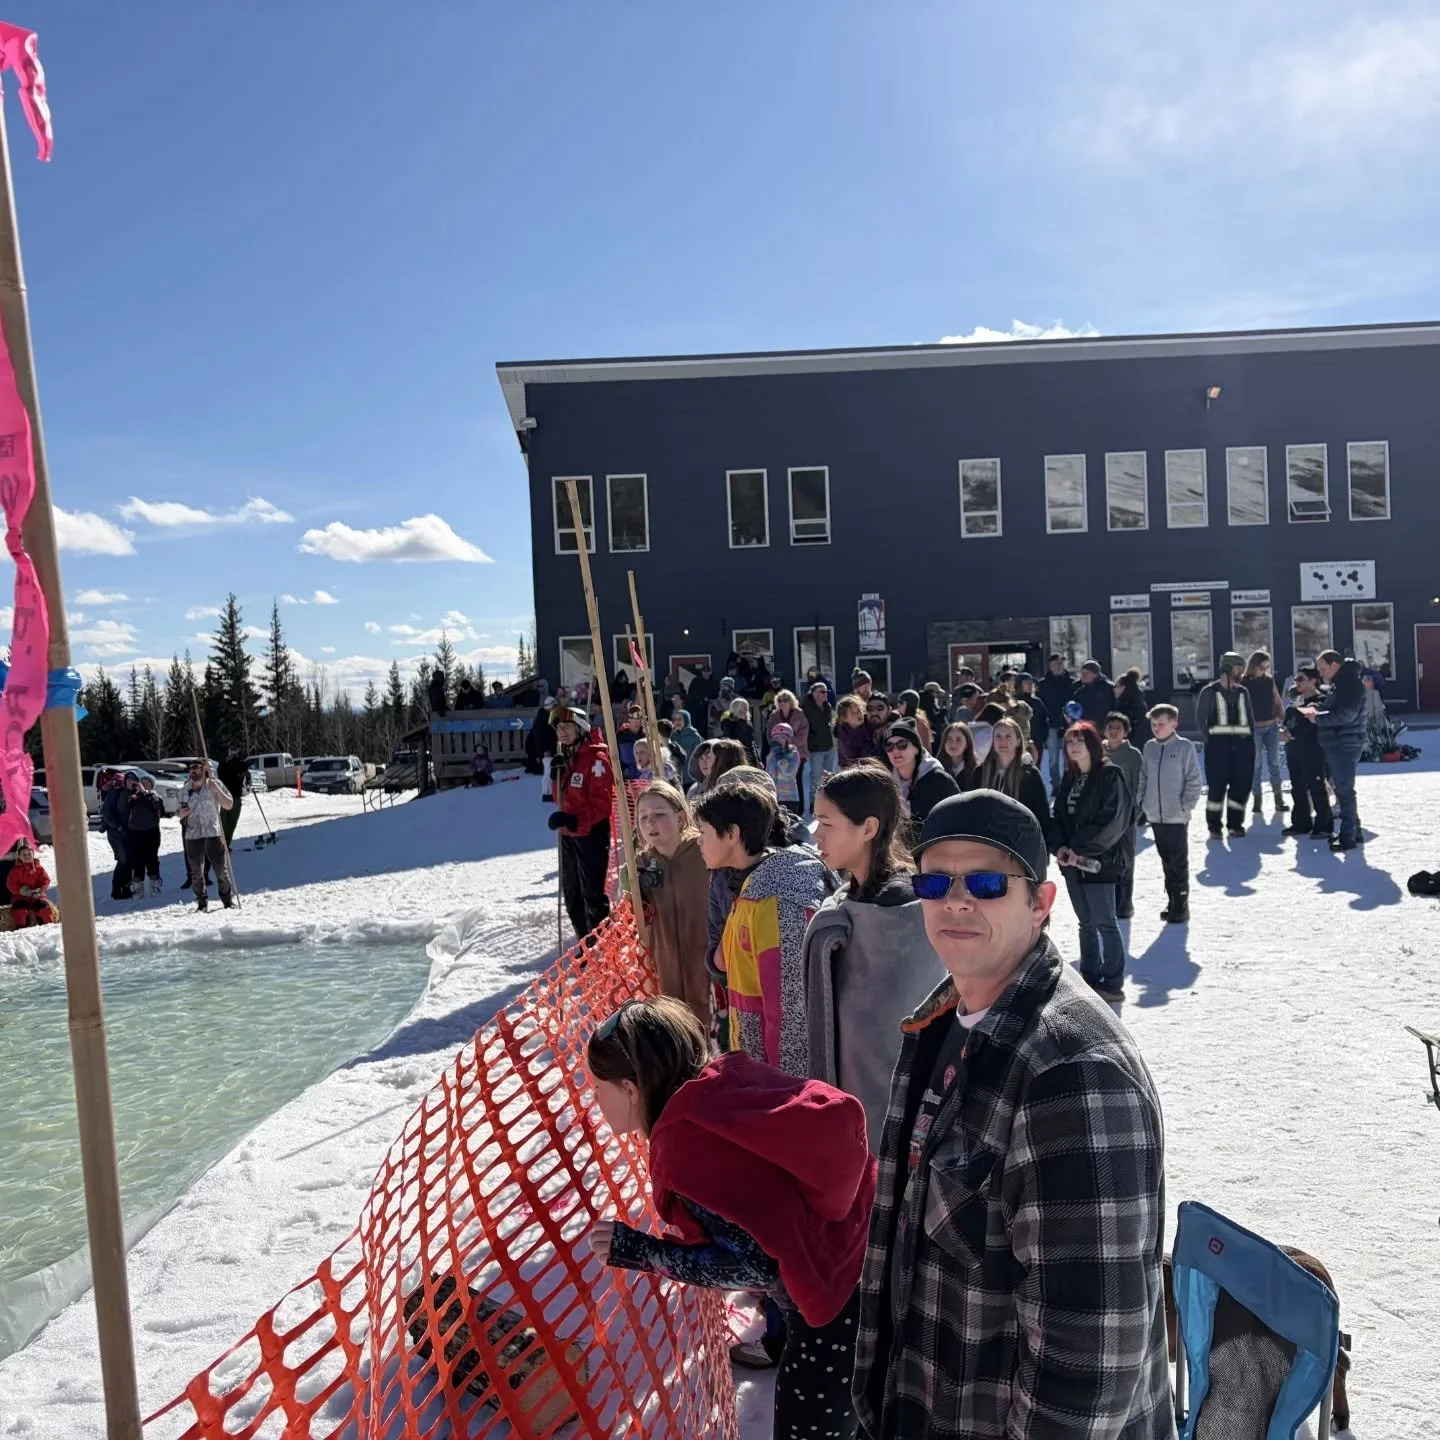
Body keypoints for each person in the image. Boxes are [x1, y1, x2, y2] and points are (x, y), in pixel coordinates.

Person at [851, 790, 1170, 1439]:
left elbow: (1088, 1372)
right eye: (937, 879)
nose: (957, 901)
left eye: (989, 882)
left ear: (1042, 904)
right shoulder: (944, 1019)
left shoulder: (1073, 1073)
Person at [586, 997, 875, 1440]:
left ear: (631, 1089)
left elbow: (753, 1264)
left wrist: (640, 1251)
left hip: (832, 1314)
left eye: (597, 1088)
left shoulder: (686, 1150)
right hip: (871, 1267)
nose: (594, 1103)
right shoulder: (722, 1087)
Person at [804, 764, 944, 1152]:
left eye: (827, 823)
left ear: (868, 828)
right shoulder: (853, 895)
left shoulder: (902, 909)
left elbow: (892, 1031)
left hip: (888, 1113)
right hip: (857, 1099)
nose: (816, 834)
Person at [694, 777, 832, 1074]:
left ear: (731, 834)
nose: (698, 841)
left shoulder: (776, 902)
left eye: (703, 832)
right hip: (754, 1064)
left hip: (775, 1081)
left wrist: (780, 1090)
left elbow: (789, 1019)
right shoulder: (746, 885)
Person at [1049, 723, 1133, 1001]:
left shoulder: (1110, 775)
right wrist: (1060, 846)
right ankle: (1090, 976)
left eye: (1079, 741)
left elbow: (1113, 821)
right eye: (1069, 742)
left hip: (1100, 861)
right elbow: (1058, 816)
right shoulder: (1070, 779)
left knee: (1105, 922)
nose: (1073, 747)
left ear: (1092, 744)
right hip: (1072, 863)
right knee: (1085, 922)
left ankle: (1112, 982)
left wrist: (1079, 848)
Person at [634, 784, 713, 1029]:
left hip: (706, 950)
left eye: (659, 815)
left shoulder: (703, 852)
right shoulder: (642, 864)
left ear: (679, 817)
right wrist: (630, 891)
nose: (650, 823)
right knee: (673, 1017)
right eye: (643, 817)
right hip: (664, 955)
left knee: (706, 1014)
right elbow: (635, 914)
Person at [547, 709, 615, 940]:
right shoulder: (568, 757)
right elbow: (562, 798)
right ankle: (585, 946)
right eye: (558, 728)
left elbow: (601, 804)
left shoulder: (596, 759)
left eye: (566, 727)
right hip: (569, 834)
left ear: (580, 728)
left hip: (591, 834)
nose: (561, 732)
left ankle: (602, 950)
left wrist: (574, 819)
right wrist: (557, 774)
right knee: (572, 895)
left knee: (592, 896)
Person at [1135, 703, 1203, 923]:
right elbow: (1143, 777)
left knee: (1178, 861)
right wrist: (1143, 802)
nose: (1157, 728)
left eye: (1161, 724)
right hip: (1155, 814)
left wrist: (1185, 807)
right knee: (1166, 861)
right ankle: (1172, 900)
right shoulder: (1150, 747)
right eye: (1154, 724)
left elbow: (1194, 780)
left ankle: (1181, 905)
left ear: (1174, 724)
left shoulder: (1184, 748)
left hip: (1176, 816)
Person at [1300, 650, 1367, 850]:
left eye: (1322, 669)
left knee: (1344, 790)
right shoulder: (1342, 684)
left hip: (1345, 743)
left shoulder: (1350, 684)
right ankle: (1354, 832)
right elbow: (1337, 709)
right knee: (1342, 789)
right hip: (1340, 742)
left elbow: (1346, 715)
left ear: (1334, 665)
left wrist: (1318, 718)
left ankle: (1348, 837)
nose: (1320, 673)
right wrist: (1318, 707)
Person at [1196, 651, 1256, 837]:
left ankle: (1235, 824)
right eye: (1239, 668)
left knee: (1241, 786)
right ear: (1228, 668)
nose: (1242, 672)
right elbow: (1200, 720)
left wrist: (1250, 742)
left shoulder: (1243, 692)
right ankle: (1214, 826)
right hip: (1218, 748)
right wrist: (1210, 741)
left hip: (1243, 748)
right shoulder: (1209, 692)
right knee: (1217, 787)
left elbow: (1251, 720)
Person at [882, 717, 959, 845]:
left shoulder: (938, 779)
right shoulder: (889, 783)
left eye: (902, 744)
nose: (895, 751)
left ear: (916, 748)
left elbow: (959, 816)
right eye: (889, 746)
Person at [1281, 667, 1335, 839]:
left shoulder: (1322, 701)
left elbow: (1327, 723)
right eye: (1296, 679)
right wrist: (1283, 733)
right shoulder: (1294, 704)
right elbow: (1286, 724)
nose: (1297, 682)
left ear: (1313, 680)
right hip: (1294, 750)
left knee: (1317, 787)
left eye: (1301, 679)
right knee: (1297, 788)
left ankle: (1324, 825)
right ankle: (1301, 823)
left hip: (1314, 750)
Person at [179, 760, 236, 912]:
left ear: (203, 769)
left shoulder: (214, 784)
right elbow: (179, 812)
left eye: (195, 767)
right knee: (196, 873)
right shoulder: (184, 791)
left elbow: (229, 805)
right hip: (192, 835)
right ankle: (201, 902)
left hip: (213, 833)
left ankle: (227, 900)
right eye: (190, 768)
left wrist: (217, 790)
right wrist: (181, 814)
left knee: (221, 871)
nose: (192, 771)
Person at [1103, 712, 1144, 921]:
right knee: (1106, 861)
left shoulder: (1133, 755)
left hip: (1126, 816)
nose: (1113, 731)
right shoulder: (1098, 752)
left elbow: (1140, 785)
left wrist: (1136, 811)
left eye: (1118, 728)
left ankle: (1125, 903)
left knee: (1126, 860)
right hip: (1103, 817)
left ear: (1126, 732)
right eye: (1110, 727)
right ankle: (1108, 903)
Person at [975, 716, 1048, 830]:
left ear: (1018, 741)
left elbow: (1042, 815)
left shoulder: (1029, 775)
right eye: (998, 736)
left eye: (1008, 736)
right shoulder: (980, 773)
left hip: (1019, 840)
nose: (1002, 741)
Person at [1243, 651, 1287, 817]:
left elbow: (1276, 700)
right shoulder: (1244, 683)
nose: (1266, 670)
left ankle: (1278, 799)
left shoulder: (1269, 681)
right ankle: (1257, 799)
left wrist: (1283, 718)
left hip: (1271, 726)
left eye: (1268, 667)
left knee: (1274, 763)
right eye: (1263, 666)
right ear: (1254, 665)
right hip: (1254, 728)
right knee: (1256, 765)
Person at [1036, 654, 1074, 788]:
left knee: (1069, 756)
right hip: (1051, 724)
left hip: (1069, 725)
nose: (1057, 667)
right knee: (1053, 759)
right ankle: (1056, 784)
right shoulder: (1043, 685)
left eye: (1059, 664)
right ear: (1050, 666)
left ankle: (1068, 784)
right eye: (1054, 665)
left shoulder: (1072, 683)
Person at [800, 681, 837, 813]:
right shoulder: (806, 708)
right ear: (814, 693)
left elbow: (833, 723)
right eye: (822, 691)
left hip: (829, 746)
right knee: (816, 776)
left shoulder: (828, 706)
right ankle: (813, 803)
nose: (825, 694)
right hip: (815, 747)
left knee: (830, 776)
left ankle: (828, 802)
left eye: (826, 691)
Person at [126, 774, 166, 896]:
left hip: (151, 831)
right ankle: (138, 885)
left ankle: (154, 883)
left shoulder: (154, 795)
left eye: (146, 782)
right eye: (141, 782)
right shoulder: (133, 796)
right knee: (137, 859)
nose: (143, 784)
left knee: (152, 858)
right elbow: (126, 807)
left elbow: (158, 805)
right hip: (135, 832)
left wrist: (146, 793)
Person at [7, 839, 57, 927]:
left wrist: (41, 890)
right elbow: (10, 884)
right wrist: (20, 890)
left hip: (37, 896)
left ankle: (48, 926)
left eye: (29, 854)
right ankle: (21, 927)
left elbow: (45, 880)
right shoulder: (15, 871)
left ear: (33, 855)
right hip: (21, 897)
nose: (27, 856)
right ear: (20, 857)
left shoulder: (39, 868)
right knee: (20, 910)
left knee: (44, 908)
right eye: (24, 854)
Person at [100, 771, 133, 901]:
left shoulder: (125, 793)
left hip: (124, 832)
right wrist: (117, 826)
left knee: (127, 860)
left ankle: (125, 888)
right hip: (115, 833)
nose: (119, 784)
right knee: (123, 860)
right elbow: (106, 813)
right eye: (117, 782)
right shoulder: (113, 794)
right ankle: (117, 889)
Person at [766, 722, 803, 815]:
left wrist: (781, 759)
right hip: (775, 797)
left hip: (789, 797)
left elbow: (790, 773)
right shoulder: (772, 755)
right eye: (776, 738)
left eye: (782, 738)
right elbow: (769, 773)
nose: (779, 741)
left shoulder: (793, 753)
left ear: (788, 739)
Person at [1113, 666, 1152, 749]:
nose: (1114, 689)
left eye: (1116, 686)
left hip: (1133, 742)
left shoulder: (1126, 705)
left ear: (1123, 687)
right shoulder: (1137, 698)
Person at [1016, 672, 1049, 763]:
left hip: (1036, 741)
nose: (1030, 685)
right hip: (1018, 742)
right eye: (1027, 683)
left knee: (1036, 769)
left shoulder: (1037, 702)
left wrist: (1043, 738)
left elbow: (1044, 720)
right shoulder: (1013, 702)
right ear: (1019, 685)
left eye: (1031, 683)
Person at [936, 721, 979, 790]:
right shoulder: (937, 769)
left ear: (967, 743)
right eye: (949, 739)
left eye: (958, 739)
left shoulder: (977, 771)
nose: (953, 744)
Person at [217, 749, 248, 847]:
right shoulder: (223, 765)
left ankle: (226, 844)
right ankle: (221, 844)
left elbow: (244, 770)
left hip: (236, 796)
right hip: (225, 797)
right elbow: (221, 773)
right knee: (224, 822)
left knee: (232, 822)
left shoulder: (239, 765)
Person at [1073, 659, 1114, 728]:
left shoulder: (1109, 688)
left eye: (1087, 673)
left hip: (1106, 727)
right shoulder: (1079, 691)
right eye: (1082, 673)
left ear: (1095, 674)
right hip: (1087, 728)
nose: (1084, 676)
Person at [834, 696, 872, 767]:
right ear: (844, 718)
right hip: (853, 769)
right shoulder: (844, 736)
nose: (859, 714)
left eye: (859, 710)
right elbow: (850, 759)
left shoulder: (868, 723)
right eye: (853, 712)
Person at [721, 695, 758, 761]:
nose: (746, 709)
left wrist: (757, 760)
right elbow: (728, 740)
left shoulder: (748, 722)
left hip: (749, 755)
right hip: (736, 756)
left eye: (747, 707)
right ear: (737, 708)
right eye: (744, 707)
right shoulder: (728, 722)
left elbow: (751, 742)